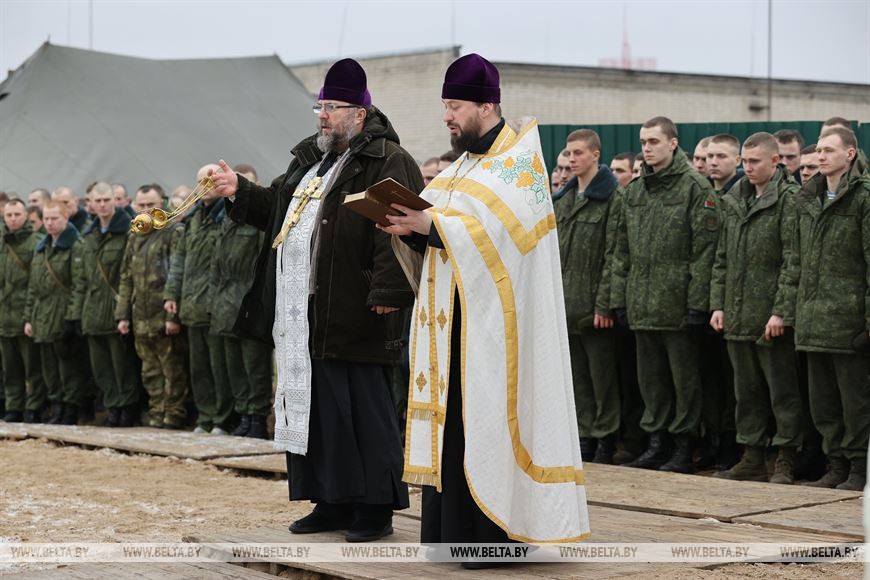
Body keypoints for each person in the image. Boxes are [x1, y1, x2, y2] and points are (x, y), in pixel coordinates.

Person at [382, 53, 590, 558]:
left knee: (484, 426)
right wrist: (410, 231)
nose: (447, 116)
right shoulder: (462, 168)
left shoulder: (519, 167)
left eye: (454, 105)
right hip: (452, 329)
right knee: (453, 431)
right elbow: (448, 241)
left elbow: (499, 239)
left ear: (486, 104)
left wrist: (435, 227)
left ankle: (492, 539)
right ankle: (451, 538)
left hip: (496, 335)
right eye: (445, 106)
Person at [210, 58, 420, 542]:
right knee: (319, 411)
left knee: (364, 411)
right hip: (305, 314)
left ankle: (375, 508)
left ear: (360, 112)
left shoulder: (387, 160)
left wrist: (388, 290)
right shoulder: (310, 162)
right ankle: (331, 500)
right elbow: (277, 210)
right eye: (319, 106)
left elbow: (399, 230)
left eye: (333, 107)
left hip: (357, 307)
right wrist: (238, 190)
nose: (322, 115)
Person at [611, 116, 720, 474]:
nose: (646, 148)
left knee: (684, 382)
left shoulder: (694, 188)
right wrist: (620, 298)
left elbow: (705, 251)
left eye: (654, 142)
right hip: (643, 303)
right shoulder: (635, 192)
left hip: (677, 305)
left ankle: (683, 445)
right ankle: (657, 442)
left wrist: (696, 304)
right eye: (643, 142)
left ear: (673, 143)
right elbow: (622, 250)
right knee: (651, 381)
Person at [710, 132, 802, 484]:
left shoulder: (790, 200)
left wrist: (781, 311)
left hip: (769, 317)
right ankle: (751, 456)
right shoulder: (734, 198)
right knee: (745, 391)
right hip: (737, 312)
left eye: (755, 162)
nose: (747, 168)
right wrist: (718, 304)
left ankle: (786, 458)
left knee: (782, 392)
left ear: (775, 161)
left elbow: (794, 260)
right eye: (744, 162)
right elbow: (722, 258)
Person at [794, 126, 869, 491]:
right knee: (823, 403)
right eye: (818, 151)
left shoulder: (864, 198)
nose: (820, 157)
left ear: (850, 154)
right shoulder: (808, 199)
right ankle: (835, 465)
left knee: (855, 403)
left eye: (828, 150)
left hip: (848, 320)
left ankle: (859, 468)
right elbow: (796, 261)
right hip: (814, 319)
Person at [554, 129, 621, 464]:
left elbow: (615, 253)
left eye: (578, 153)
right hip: (566, 302)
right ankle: (583, 435)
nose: (571, 159)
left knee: (602, 379)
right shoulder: (564, 200)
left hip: (594, 306)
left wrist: (605, 302)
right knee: (577, 378)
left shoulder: (611, 197)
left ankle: (605, 437)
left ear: (596, 154)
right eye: (568, 153)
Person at [165, 165, 232, 435]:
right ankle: (205, 417)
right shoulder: (192, 219)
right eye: (200, 181)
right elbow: (179, 260)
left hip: (216, 304)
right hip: (192, 302)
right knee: (199, 367)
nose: (205, 186)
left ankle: (222, 419)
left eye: (210, 180)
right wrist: (172, 294)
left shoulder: (228, 214)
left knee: (219, 366)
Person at [209, 163, 273, 440]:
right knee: (235, 367)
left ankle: (257, 417)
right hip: (226, 301)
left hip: (248, 299)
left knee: (254, 366)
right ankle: (244, 414)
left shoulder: (258, 221)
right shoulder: (227, 217)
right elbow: (217, 264)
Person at [117, 185, 189, 429]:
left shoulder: (174, 232)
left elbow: (177, 275)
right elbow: (126, 277)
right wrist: (123, 315)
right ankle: (157, 411)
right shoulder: (135, 234)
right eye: (142, 205)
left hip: (163, 312)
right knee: (149, 369)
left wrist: (172, 316)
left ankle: (174, 413)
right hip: (140, 315)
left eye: (151, 204)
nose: (146, 209)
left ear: (162, 202)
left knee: (172, 368)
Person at [74, 182, 139, 427]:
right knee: (102, 366)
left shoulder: (128, 231)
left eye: (106, 200)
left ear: (115, 200)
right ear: (89, 203)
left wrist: (123, 311)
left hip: (115, 308)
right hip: (92, 310)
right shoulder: (88, 236)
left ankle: (127, 408)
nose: (102, 205)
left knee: (121, 365)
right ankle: (113, 408)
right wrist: (78, 313)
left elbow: (127, 274)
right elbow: (82, 278)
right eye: (97, 201)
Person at [24, 201, 88, 425]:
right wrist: (29, 317)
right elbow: (34, 285)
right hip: (43, 314)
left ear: (65, 218)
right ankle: (57, 405)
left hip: (62, 312)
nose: (49, 223)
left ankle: (70, 408)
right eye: (47, 219)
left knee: (67, 365)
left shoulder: (75, 246)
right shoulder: (42, 247)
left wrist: (73, 316)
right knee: (49, 367)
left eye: (54, 218)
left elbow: (79, 284)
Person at [0, 199, 47, 422]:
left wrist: (29, 315)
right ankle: (13, 406)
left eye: (17, 214)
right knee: (10, 368)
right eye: (8, 215)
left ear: (25, 215)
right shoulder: (1, 242)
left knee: (32, 367)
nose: (13, 219)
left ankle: (34, 406)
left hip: (26, 313)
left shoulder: (35, 242)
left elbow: (35, 283)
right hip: (4, 314)